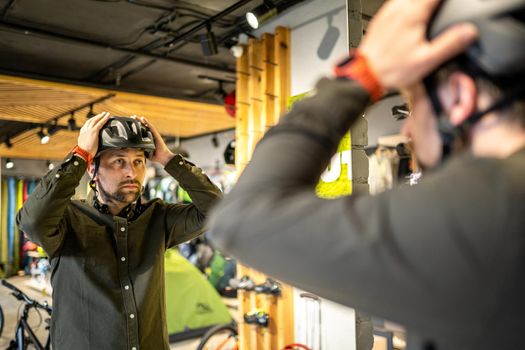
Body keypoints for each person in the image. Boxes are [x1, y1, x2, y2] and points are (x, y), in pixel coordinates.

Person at [208, 0, 525, 349]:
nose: (407, 129)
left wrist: (362, 74)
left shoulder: (484, 211)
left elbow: (241, 220)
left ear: (459, 97)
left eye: (413, 100)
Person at [17, 113, 222, 349]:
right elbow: (31, 222)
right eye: (118, 161)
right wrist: (80, 155)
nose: (131, 173)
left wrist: (168, 158)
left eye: (138, 162)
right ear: (92, 170)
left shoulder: (158, 217)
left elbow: (218, 211)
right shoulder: (68, 220)